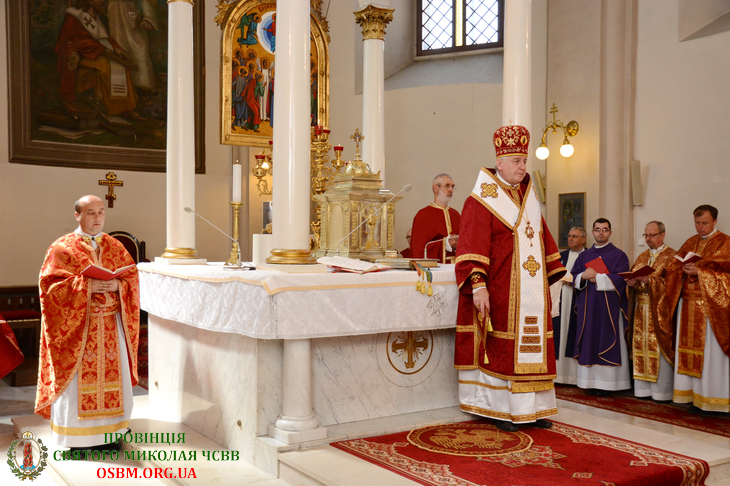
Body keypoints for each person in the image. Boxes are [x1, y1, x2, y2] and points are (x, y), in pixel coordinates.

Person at [455, 124, 566, 432]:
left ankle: (534, 408)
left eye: (524, 160)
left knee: (534, 346)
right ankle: (500, 410)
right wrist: (479, 286)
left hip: (532, 293)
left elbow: (543, 240)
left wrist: (553, 278)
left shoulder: (529, 197)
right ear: (499, 163)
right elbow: (471, 245)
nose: (522, 166)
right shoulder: (479, 201)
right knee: (502, 349)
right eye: (516, 161)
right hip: (501, 291)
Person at [35, 195, 140, 450]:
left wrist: (118, 285)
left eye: (101, 212)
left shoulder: (115, 246)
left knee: (114, 382)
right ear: (77, 216)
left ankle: (111, 434)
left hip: (112, 327)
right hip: (78, 331)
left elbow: (132, 279)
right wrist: (86, 286)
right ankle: (77, 439)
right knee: (77, 387)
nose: (97, 217)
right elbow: (49, 288)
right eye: (91, 212)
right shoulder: (62, 248)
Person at [665, 205, 730, 413]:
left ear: (715, 222)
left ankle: (712, 399)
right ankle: (691, 396)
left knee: (710, 355)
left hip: (711, 310)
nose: (700, 227)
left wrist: (700, 272)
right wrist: (682, 269)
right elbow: (672, 268)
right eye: (697, 223)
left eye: (704, 223)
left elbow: (727, 278)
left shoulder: (725, 243)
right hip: (687, 305)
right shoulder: (690, 242)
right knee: (687, 352)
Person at [570, 218, 631, 397]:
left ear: (610, 232)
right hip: (588, 307)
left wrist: (599, 278)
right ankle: (589, 381)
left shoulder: (619, 255)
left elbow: (622, 278)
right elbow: (574, 276)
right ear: (593, 232)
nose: (601, 232)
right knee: (589, 339)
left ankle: (609, 383)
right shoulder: (584, 255)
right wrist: (583, 276)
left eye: (605, 229)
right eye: (598, 229)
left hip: (609, 307)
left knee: (607, 338)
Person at [55, 0, 141, 118]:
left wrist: (117, 49)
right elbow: (67, 39)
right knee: (106, 65)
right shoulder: (74, 15)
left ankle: (126, 109)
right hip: (81, 56)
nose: (105, 2)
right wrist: (73, 54)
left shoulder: (96, 18)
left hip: (97, 53)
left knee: (120, 66)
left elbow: (105, 39)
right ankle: (111, 109)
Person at [626, 221, 675, 400]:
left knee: (658, 349)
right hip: (641, 309)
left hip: (659, 311)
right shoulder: (642, 256)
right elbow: (634, 282)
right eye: (646, 235)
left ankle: (661, 392)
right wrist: (632, 283)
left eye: (652, 235)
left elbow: (674, 285)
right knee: (641, 346)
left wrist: (651, 281)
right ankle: (643, 390)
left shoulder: (672, 256)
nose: (648, 239)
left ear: (662, 235)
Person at [551, 226, 586, 384]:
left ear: (583, 239)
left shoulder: (587, 256)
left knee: (573, 333)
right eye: (569, 236)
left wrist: (572, 280)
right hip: (559, 299)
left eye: (575, 236)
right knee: (559, 333)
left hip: (577, 300)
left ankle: (573, 377)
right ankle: (558, 375)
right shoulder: (560, 256)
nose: (570, 239)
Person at [411, 174, 460, 263]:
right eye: (447, 186)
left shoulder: (456, 215)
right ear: (436, 188)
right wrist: (446, 243)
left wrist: (459, 244)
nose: (451, 190)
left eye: (452, 187)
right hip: (436, 267)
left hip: (457, 266)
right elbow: (419, 249)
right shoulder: (423, 215)